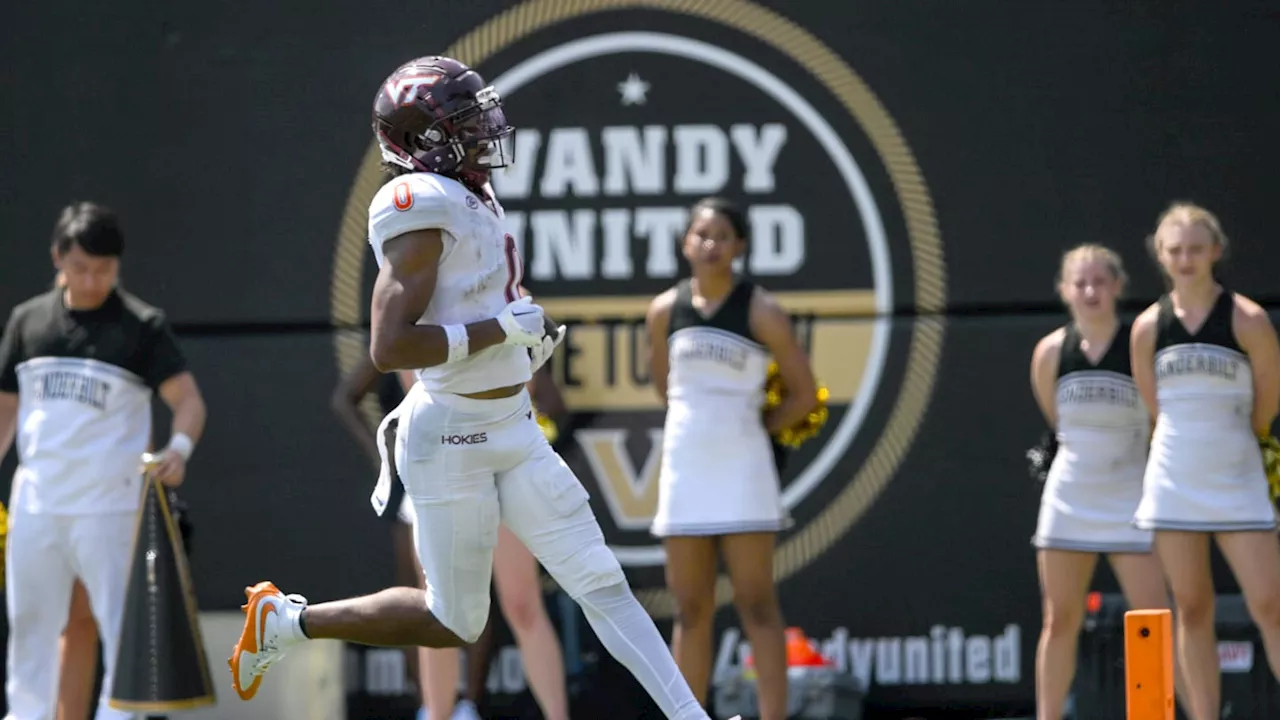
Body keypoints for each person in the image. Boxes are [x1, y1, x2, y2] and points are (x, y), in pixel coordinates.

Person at [228, 56, 732, 720]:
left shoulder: (469, 194)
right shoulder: (415, 202)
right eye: (464, 121)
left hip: (513, 426)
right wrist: (499, 331)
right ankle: (286, 621)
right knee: (454, 620)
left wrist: (526, 337)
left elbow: (482, 304)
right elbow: (390, 347)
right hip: (452, 434)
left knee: (600, 579)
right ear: (422, 138)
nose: (485, 128)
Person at [0, 201, 207, 720]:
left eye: (104, 268)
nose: (92, 279)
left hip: (110, 507)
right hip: (37, 505)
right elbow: (5, 410)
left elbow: (188, 401)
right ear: (57, 259)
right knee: (30, 627)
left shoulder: (142, 325)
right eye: (80, 267)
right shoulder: (28, 321)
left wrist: (177, 450)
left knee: (121, 627)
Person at [643, 197, 815, 720]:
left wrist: (753, 428)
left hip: (744, 472)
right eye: (701, 234)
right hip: (685, 468)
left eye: (722, 235)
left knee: (758, 606)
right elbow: (661, 386)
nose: (710, 244)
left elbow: (804, 395)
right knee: (691, 610)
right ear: (684, 243)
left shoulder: (763, 310)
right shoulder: (663, 311)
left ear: (740, 246)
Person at [1131, 203, 1280, 720]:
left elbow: (1268, 402)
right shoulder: (1147, 328)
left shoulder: (1249, 320)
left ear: (1216, 251)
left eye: (1196, 248)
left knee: (1271, 605)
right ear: (1161, 255)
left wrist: (1239, 447)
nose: (1186, 258)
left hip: (1237, 478)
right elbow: (1153, 409)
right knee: (1191, 608)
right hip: (1174, 481)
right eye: (1175, 250)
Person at [1027, 244, 1184, 720]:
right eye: (1080, 282)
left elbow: (1160, 418)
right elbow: (1055, 419)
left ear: (1118, 286)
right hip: (1068, 499)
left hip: (1131, 499)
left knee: (1157, 620)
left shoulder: (1139, 344)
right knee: (1059, 621)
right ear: (1063, 290)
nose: (1091, 291)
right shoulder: (1051, 353)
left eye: (1100, 281)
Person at [417, 352, 572, 720]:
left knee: (522, 603)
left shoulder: (512, 301)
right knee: (441, 609)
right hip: (441, 471)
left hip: (506, 466)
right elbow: (421, 390)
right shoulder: (420, 306)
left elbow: (530, 383)